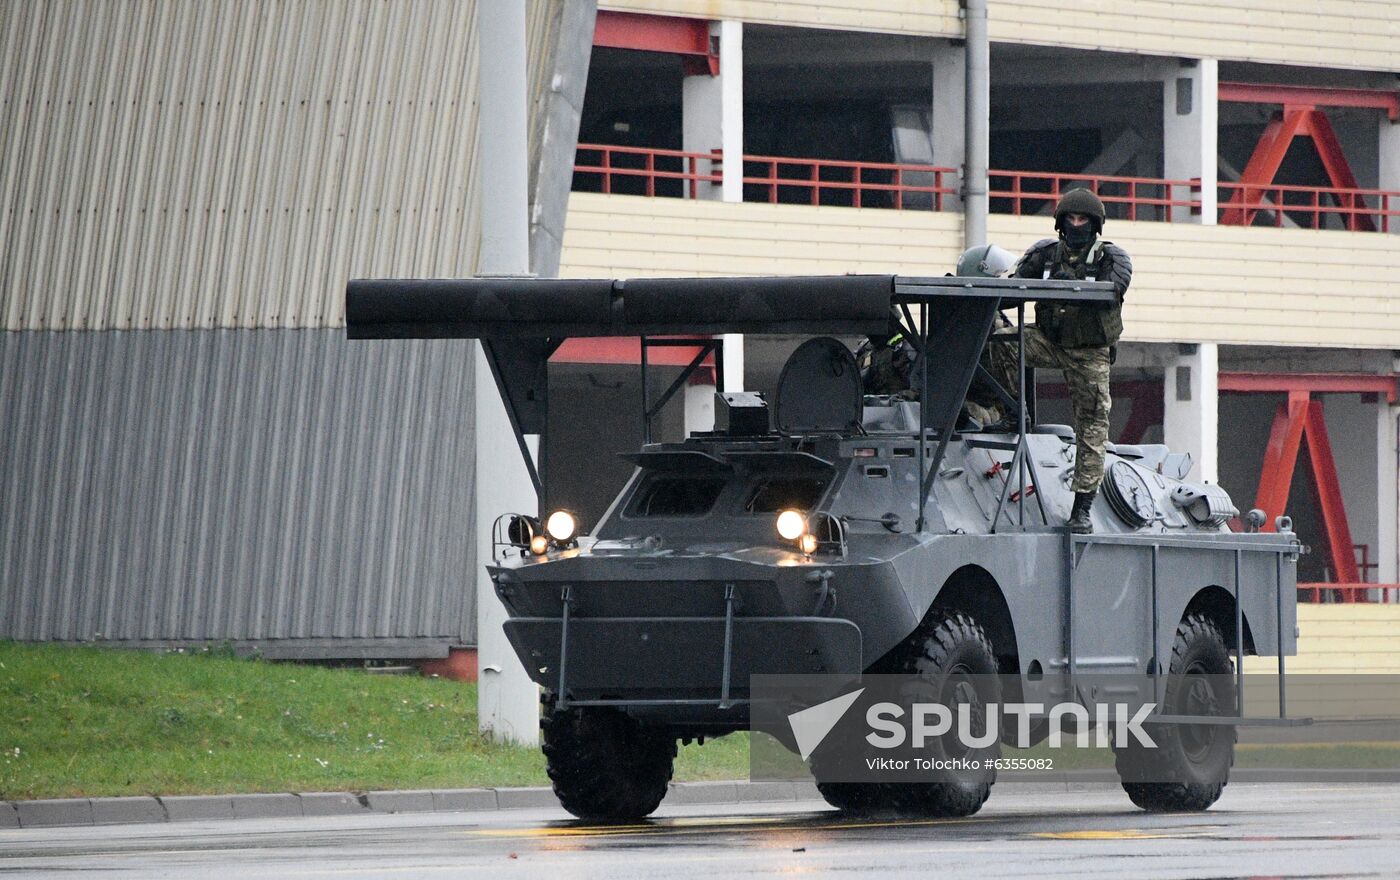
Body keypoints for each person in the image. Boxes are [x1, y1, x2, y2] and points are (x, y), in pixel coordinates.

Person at [994, 188, 1132, 534]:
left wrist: (1064, 284)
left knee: (1092, 426)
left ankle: (1082, 508)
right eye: (1070, 219)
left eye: (1082, 219)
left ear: (1095, 224)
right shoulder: (1044, 254)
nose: (1075, 225)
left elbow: (1112, 291)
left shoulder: (1110, 259)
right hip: (1049, 341)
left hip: (1089, 352)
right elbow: (1010, 292)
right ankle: (1013, 409)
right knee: (998, 341)